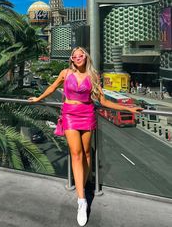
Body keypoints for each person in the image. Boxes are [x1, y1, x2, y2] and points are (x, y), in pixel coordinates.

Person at [28, 46, 142, 227]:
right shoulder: (65, 73)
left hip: (87, 114)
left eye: (81, 55)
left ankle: (85, 183)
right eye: (75, 56)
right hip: (70, 115)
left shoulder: (93, 76)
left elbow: (103, 101)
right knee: (76, 153)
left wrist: (128, 108)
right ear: (72, 59)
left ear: (85, 57)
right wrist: (38, 98)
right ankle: (82, 200)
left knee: (87, 153)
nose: (77, 57)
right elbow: (52, 87)